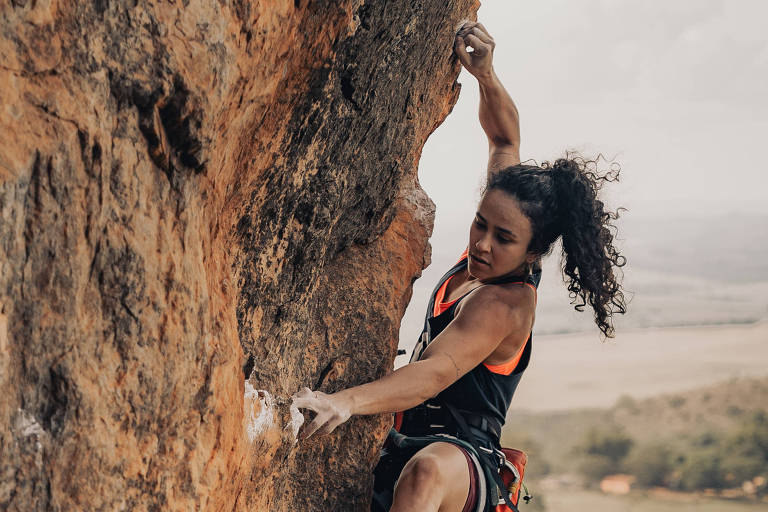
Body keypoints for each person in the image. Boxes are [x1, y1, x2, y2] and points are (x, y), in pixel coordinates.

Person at [292, 20, 627, 512]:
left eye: (504, 238)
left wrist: (346, 401)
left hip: (463, 459)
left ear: (532, 253)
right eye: (480, 224)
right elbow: (503, 138)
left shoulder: (505, 302)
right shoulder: (496, 233)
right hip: (404, 438)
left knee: (424, 473)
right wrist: (486, 77)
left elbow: (433, 375)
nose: (483, 244)